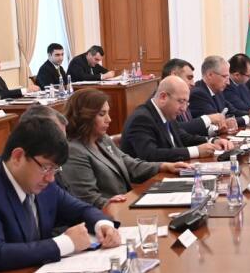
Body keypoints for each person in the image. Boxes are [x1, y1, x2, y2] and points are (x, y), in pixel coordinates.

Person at [0, 117, 121, 272]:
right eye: (46, 167)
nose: (51, 178)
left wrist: (103, 225)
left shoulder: (43, 183)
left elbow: (81, 210)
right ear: (18, 156)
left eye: (55, 169)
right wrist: (66, 243)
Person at [60, 89, 190, 209]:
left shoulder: (102, 139)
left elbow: (130, 165)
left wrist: (164, 166)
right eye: (102, 114)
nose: (109, 119)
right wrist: (109, 203)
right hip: (107, 216)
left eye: (108, 113)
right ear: (84, 116)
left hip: (125, 204)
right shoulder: (74, 151)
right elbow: (88, 200)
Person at [121, 76, 231, 162]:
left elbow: (184, 138)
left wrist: (213, 141)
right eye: (181, 101)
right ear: (163, 97)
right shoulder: (141, 118)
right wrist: (196, 151)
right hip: (148, 181)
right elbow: (150, 155)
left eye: (186, 103)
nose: (184, 109)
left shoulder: (167, 113)